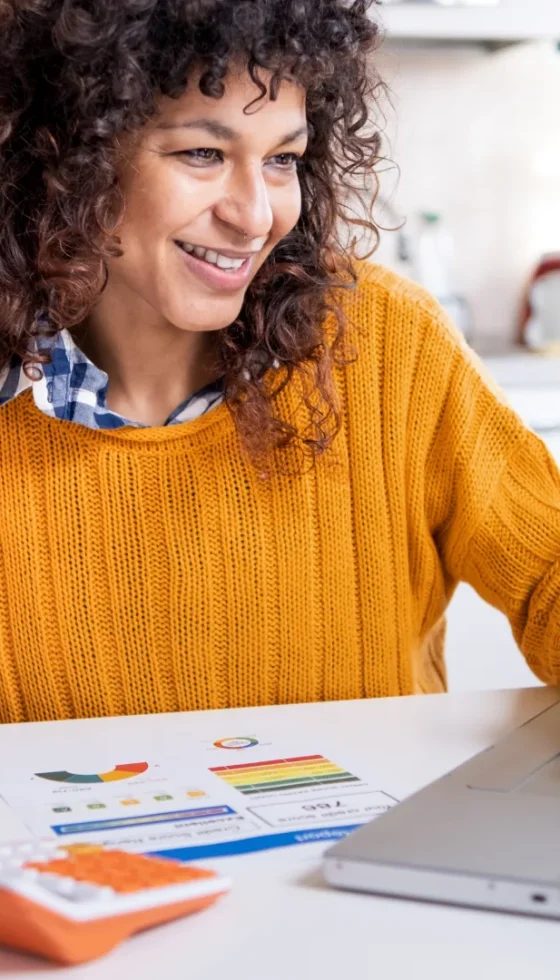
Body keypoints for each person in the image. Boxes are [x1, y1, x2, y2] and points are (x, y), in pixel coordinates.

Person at [0, 0, 559, 726]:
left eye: (281, 161)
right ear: (66, 153)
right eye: (202, 154)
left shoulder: (387, 345)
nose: (256, 215)